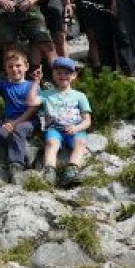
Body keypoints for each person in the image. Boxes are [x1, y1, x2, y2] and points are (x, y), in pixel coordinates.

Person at [0, 34, 40, 182]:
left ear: (26, 66)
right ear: (6, 69)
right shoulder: (5, 86)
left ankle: (16, 165)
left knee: (18, 130)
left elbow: (33, 109)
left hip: (28, 123)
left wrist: (15, 123)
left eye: (18, 65)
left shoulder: (32, 85)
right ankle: (22, 152)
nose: (14, 69)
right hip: (7, 123)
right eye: (10, 67)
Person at [26, 57, 92, 187]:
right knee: (51, 142)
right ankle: (50, 170)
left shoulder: (80, 96)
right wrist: (35, 82)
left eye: (67, 73)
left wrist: (77, 128)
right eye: (59, 73)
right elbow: (30, 102)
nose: (63, 76)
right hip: (54, 129)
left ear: (74, 76)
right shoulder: (46, 94)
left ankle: (71, 170)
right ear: (53, 75)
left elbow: (87, 121)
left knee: (81, 142)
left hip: (75, 129)